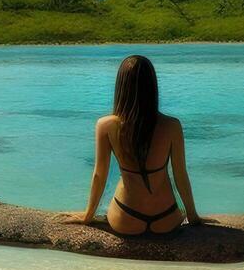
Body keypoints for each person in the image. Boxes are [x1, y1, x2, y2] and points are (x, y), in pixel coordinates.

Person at [58, 54, 201, 234]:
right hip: (166, 219)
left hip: (126, 218)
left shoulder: (106, 125)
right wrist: (193, 216)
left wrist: (87, 216)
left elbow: (99, 176)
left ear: (121, 86)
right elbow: (180, 175)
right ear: (152, 86)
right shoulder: (172, 125)